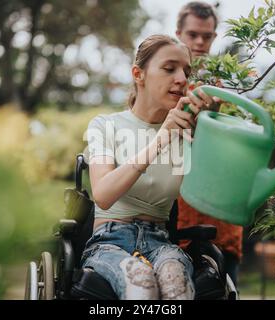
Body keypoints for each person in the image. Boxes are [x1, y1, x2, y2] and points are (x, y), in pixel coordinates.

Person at [82, 34, 214, 300]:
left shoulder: (187, 132)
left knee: (176, 284)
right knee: (140, 282)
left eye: (186, 71)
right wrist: (161, 137)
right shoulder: (105, 125)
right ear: (138, 74)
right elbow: (104, 195)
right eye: (169, 69)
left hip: (161, 242)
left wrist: (212, 128)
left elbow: (216, 195)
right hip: (110, 241)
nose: (181, 78)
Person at [175, 1, 243, 286]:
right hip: (179, 210)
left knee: (225, 285)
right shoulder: (166, 79)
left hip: (220, 210)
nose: (201, 42)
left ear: (215, 36)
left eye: (208, 35)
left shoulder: (229, 83)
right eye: (193, 35)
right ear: (178, 33)